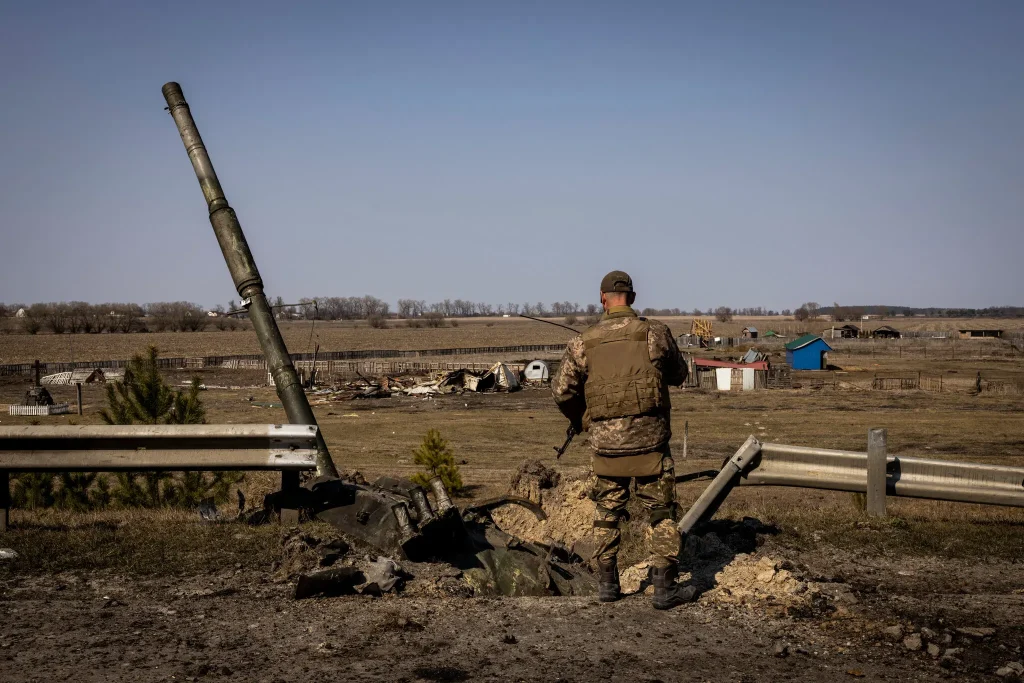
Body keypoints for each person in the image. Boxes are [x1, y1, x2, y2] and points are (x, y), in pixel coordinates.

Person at [551, 270, 693, 609]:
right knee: (662, 513)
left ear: (602, 298)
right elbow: (679, 374)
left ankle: (607, 585)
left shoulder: (583, 342)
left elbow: (561, 392)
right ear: (632, 296)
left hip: (606, 448)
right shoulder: (655, 333)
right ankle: (664, 588)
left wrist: (583, 418)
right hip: (652, 446)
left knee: (606, 512)